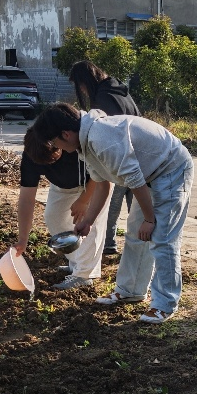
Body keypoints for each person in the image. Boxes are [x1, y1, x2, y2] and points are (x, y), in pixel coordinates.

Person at [26, 103, 193, 323]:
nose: (55, 147)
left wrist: (150, 219)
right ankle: (130, 291)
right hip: (150, 174)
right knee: (136, 234)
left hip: (170, 169)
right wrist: (87, 221)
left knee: (162, 238)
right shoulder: (86, 142)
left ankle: (165, 304)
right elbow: (101, 184)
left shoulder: (101, 138)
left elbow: (135, 181)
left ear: (65, 134)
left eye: (53, 141)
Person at [13, 129, 109, 290]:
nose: (52, 165)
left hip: (95, 183)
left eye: (54, 159)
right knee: (54, 217)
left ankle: (84, 275)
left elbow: (100, 174)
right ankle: (77, 263)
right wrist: (23, 239)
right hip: (61, 185)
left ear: (58, 145)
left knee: (88, 225)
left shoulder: (73, 144)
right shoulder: (31, 155)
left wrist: (84, 200)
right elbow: (26, 199)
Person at [68, 61, 141, 256]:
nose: (81, 91)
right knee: (136, 211)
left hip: (120, 159)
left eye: (80, 85)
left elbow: (103, 137)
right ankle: (138, 250)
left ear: (85, 82)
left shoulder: (103, 99)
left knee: (111, 207)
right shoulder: (120, 91)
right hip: (138, 158)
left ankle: (109, 245)